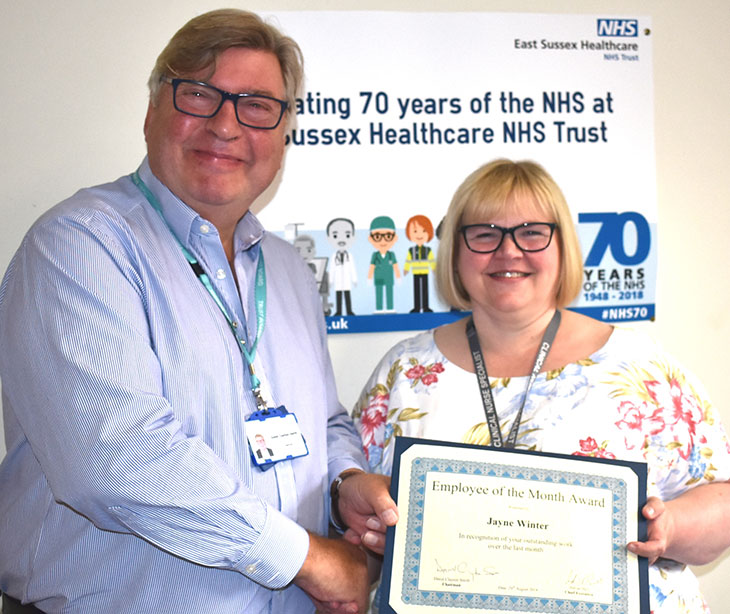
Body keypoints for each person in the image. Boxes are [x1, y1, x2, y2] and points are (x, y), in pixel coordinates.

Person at [0, 9, 396, 614]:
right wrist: (308, 559)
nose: (226, 125)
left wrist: (345, 482)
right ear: (153, 109)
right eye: (200, 95)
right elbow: (116, 459)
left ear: (284, 132)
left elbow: (326, 423)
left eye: (257, 105)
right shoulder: (81, 246)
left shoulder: (287, 269)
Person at [353, 158, 730, 613]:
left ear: (563, 247)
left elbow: (721, 497)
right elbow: (356, 521)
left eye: (532, 232)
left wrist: (670, 527)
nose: (508, 251)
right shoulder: (404, 372)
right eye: (484, 233)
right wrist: (377, 541)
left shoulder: (639, 366)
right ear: (455, 250)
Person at [403, 214, 436, 313]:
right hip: (416, 273)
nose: (419, 235)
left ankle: (425, 307)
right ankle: (417, 307)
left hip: (425, 272)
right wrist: (406, 269)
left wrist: (434, 269)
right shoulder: (411, 250)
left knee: (425, 290)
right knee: (417, 290)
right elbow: (408, 261)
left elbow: (431, 261)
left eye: (424, 231)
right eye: (415, 231)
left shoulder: (428, 250)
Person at [367, 216, 400, 313]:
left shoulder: (391, 255)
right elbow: (372, 267)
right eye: (377, 237)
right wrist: (369, 277)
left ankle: (390, 308)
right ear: (370, 239)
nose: (383, 241)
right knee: (379, 292)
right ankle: (379, 308)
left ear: (395, 238)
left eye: (388, 236)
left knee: (389, 292)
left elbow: (395, 266)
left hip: (389, 277)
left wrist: (398, 277)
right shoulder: (375, 255)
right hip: (378, 278)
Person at [327, 217, 358, 316]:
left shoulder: (350, 256)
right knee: (339, 296)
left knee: (347, 296)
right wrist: (330, 281)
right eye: (335, 235)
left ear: (353, 237)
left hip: (347, 281)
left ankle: (349, 311)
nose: (341, 239)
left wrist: (354, 279)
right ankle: (339, 311)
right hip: (338, 281)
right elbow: (332, 269)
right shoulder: (333, 256)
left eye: (347, 235)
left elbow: (352, 269)